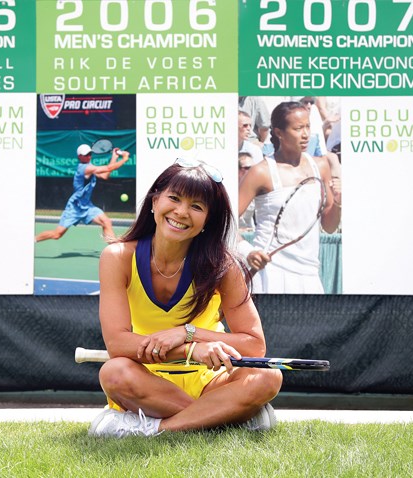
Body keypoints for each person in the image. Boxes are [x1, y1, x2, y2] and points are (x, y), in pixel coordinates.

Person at [88, 159, 283, 438]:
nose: (181, 212)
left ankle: (158, 429)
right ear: (155, 201)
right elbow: (118, 344)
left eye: (196, 206)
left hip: (212, 380)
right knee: (113, 373)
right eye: (174, 198)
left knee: (267, 376)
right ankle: (227, 415)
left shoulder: (224, 267)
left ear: (207, 220)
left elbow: (254, 346)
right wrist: (192, 351)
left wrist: (187, 334)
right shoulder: (118, 258)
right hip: (148, 382)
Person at [237, 101, 342, 294]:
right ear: (278, 132)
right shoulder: (260, 172)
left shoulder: (321, 166)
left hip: (310, 275)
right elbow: (224, 222)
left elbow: (329, 226)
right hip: (268, 276)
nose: (305, 134)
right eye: (298, 128)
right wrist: (247, 251)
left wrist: (338, 202)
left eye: (308, 126)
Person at [35, 143, 129, 243]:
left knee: (106, 222)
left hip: (87, 206)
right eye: (86, 154)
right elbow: (108, 168)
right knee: (57, 234)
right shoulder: (84, 168)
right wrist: (124, 159)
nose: (89, 156)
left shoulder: (90, 167)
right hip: (74, 207)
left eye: (90, 154)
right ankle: (32, 240)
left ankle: (113, 249)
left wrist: (114, 157)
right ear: (80, 156)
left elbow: (105, 175)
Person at [238, 152, 256, 231]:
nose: (252, 170)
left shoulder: (256, 187)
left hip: (251, 231)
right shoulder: (230, 190)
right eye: (248, 168)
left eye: (254, 167)